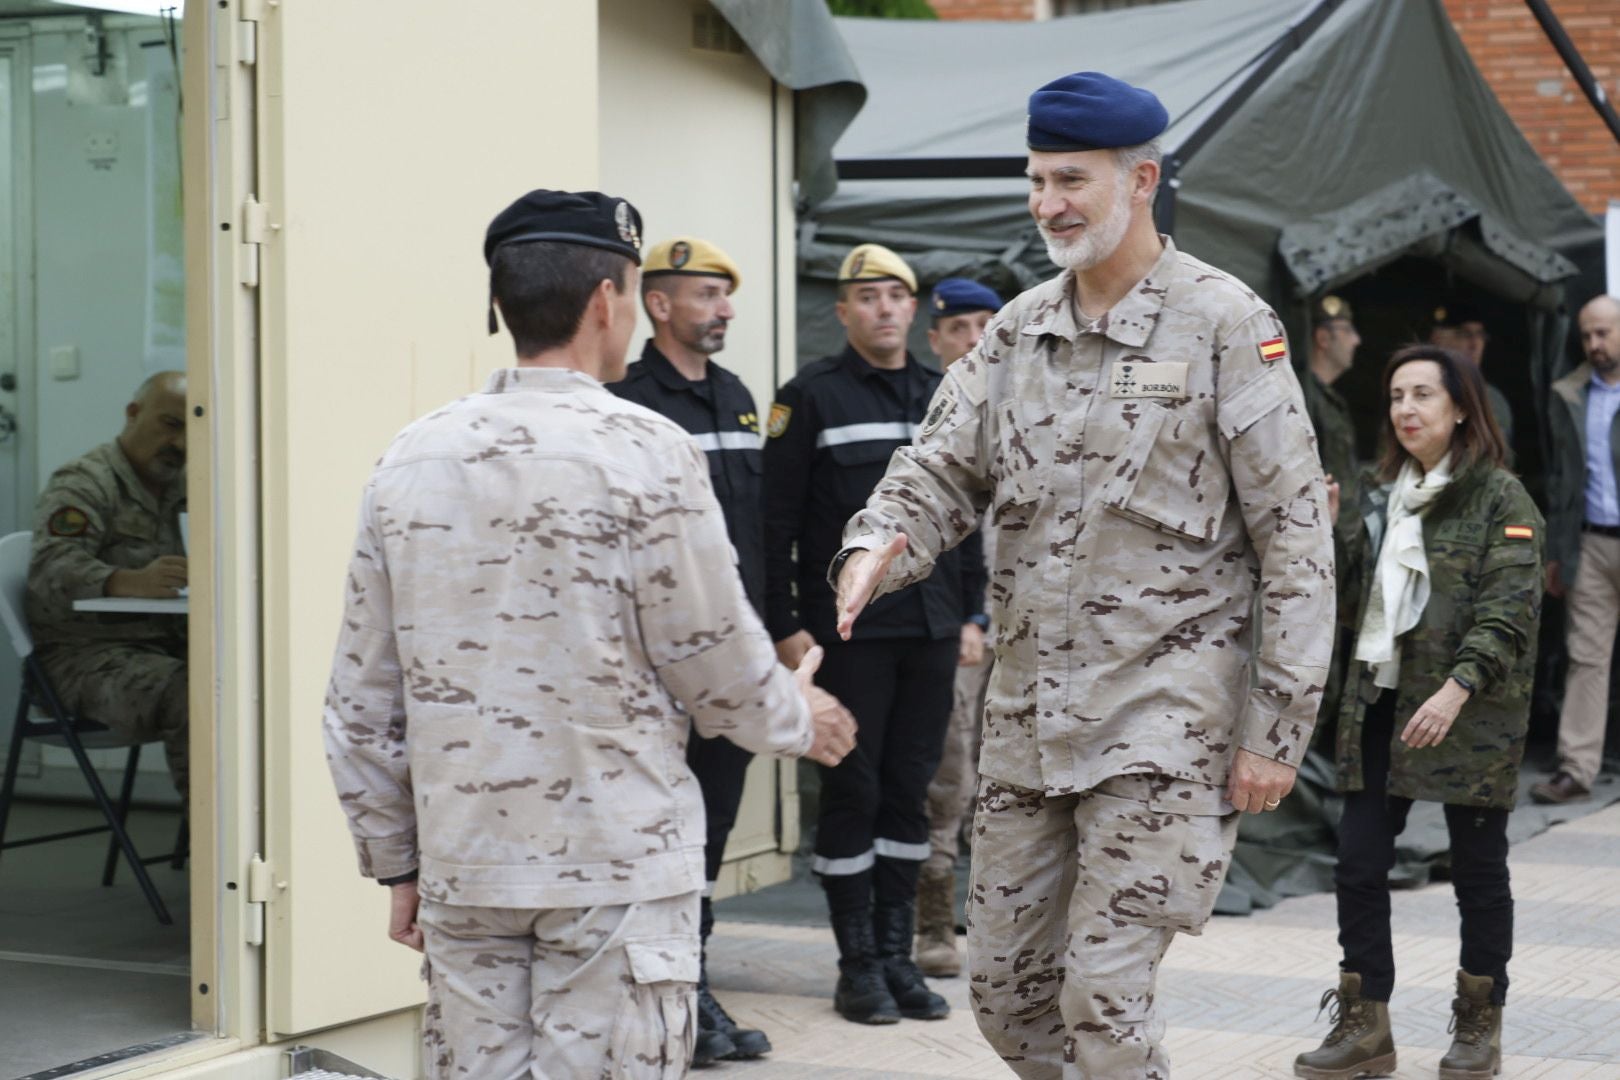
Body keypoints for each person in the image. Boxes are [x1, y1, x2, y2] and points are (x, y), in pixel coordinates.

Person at [831, 71, 1335, 1078]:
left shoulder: (1226, 325)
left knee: (1104, 994)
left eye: (1071, 180)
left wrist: (1275, 730)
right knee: (1009, 997)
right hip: (1029, 726)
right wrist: (877, 542)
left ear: (1141, 178)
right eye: (1036, 181)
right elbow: (939, 467)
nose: (1048, 203)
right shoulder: (1016, 332)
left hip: (1166, 725)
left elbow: (1296, 536)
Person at [322, 189, 856, 1080]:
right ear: (609, 301)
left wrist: (396, 863)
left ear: (502, 304)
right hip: (616, 872)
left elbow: (358, 702)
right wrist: (802, 720)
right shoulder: (645, 450)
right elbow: (714, 659)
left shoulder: (410, 457)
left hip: (466, 863)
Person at [1295, 344, 1542, 1080]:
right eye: (1396, 396)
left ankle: (1478, 1028)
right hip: (1379, 701)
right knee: (1358, 864)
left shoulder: (1502, 498)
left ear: (1461, 407)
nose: (1405, 409)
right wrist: (1335, 530)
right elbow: (1343, 611)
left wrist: (1457, 687)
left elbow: (1509, 612)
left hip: (1468, 712)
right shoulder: (1378, 497)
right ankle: (1366, 1026)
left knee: (1478, 872)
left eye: (1422, 396)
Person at [764, 243, 985, 1026]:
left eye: (897, 296)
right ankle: (856, 964)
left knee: (913, 795)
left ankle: (897, 956)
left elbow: (967, 514)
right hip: (849, 637)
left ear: (914, 311)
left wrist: (972, 612)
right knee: (852, 794)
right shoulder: (811, 398)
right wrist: (786, 628)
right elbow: (776, 525)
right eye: (869, 297)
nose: (885, 308)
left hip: (929, 631)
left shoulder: (945, 392)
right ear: (845, 312)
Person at [607, 235, 772, 1065]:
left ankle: (693, 988)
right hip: (655, 670)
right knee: (659, 836)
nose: (724, 310)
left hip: (730, 660)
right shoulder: (627, 400)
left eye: (725, 296)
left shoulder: (739, 398)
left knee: (709, 835)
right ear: (660, 304)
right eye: (706, 295)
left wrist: (779, 631)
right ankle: (666, 1002)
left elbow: (760, 528)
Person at [26, 371, 189, 794]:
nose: (183, 445)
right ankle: (209, 851)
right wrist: (128, 581)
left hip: (165, 646)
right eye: (171, 424)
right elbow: (51, 568)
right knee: (194, 695)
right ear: (133, 414)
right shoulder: (85, 482)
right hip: (83, 658)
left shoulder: (184, 486)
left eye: (194, 429)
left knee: (254, 676)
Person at [914, 277, 1000, 979]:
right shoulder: (927, 416)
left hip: (1038, 633)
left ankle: (1000, 921)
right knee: (952, 774)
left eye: (987, 326)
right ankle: (933, 923)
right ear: (936, 337)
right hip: (958, 629)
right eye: (961, 328)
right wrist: (968, 617)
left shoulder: (1035, 408)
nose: (975, 341)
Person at [1533, 293, 1620, 804]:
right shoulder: (1569, 394)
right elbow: (1562, 483)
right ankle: (1577, 768)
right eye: (1587, 335)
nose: (1594, 344)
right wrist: (1556, 552)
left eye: (1604, 333)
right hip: (1590, 542)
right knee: (1585, 657)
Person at [1303, 294, 1362, 748]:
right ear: (1325, 338)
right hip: (1313, 546)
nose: (1358, 341)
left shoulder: (1329, 399)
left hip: (1338, 545)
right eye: (1349, 331)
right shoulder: (1305, 396)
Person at [1432, 299, 1514, 456]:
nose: (1475, 344)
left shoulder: (1490, 398)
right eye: (1464, 334)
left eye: (1480, 335)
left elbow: (1496, 459)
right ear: (1438, 339)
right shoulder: (1413, 394)